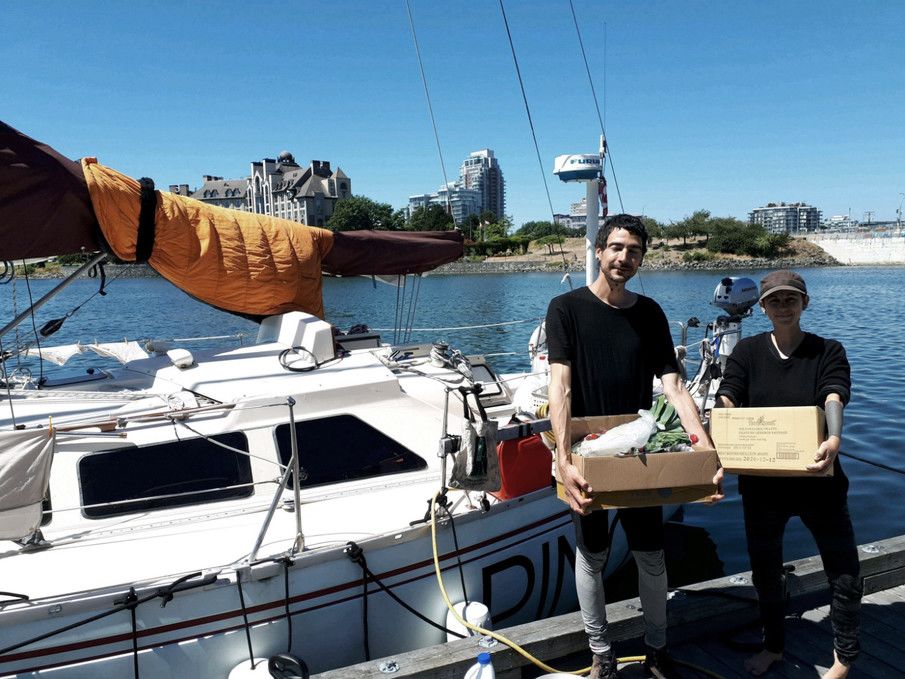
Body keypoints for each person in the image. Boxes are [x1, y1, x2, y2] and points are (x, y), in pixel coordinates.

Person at [546, 214, 721, 679]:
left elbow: (676, 388)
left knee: (650, 553)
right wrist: (564, 460)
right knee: (593, 554)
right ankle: (600, 651)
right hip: (589, 451)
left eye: (635, 251)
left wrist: (707, 455)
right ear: (600, 252)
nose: (625, 257)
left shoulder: (650, 314)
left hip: (643, 452)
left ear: (642, 258)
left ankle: (657, 648)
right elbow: (559, 389)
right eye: (618, 248)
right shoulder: (566, 309)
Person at [715, 270, 861, 678]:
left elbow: (834, 393)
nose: (783, 307)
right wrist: (722, 430)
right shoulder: (746, 352)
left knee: (844, 570)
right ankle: (773, 646)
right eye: (775, 301)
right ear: (762, 307)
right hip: (763, 485)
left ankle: (844, 658)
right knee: (765, 569)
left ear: (804, 303)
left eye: (791, 299)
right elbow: (730, 393)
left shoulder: (828, 350)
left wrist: (834, 439)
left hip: (820, 477)